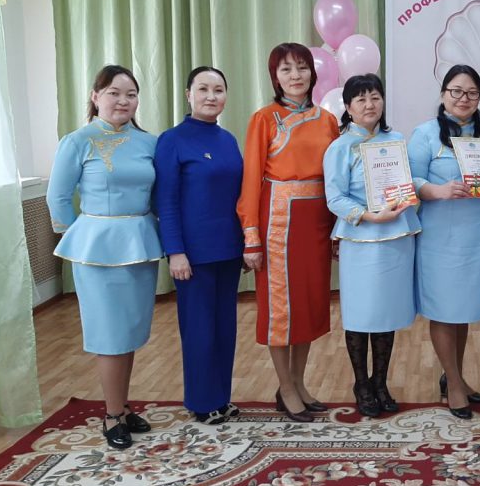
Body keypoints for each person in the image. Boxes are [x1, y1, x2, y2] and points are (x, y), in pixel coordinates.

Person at [47, 65, 163, 450]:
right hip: (97, 251)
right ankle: (112, 415)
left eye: (131, 94)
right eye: (114, 93)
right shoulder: (78, 141)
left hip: (140, 245)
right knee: (109, 334)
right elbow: (57, 198)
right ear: (96, 96)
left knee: (130, 331)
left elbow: (158, 196)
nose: (123, 101)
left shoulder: (149, 143)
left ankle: (123, 406)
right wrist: (80, 239)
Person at [237, 42, 339, 423]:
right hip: (279, 221)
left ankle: (297, 383)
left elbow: (336, 179)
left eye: (302, 67)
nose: (295, 76)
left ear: (313, 73)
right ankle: (285, 385)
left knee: (309, 304)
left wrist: (338, 229)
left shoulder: (327, 120)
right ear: (275, 77)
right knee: (280, 310)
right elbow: (251, 181)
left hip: (317, 222)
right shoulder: (264, 119)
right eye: (286, 69)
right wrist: (251, 235)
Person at [408, 65, 480, 419]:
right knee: (444, 311)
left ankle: (455, 378)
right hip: (440, 240)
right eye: (456, 91)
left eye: (472, 93)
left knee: (462, 311)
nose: (463, 98)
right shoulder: (424, 134)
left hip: (478, 236)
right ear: (443, 93)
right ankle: (455, 384)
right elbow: (410, 180)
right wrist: (438, 190)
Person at [323, 74, 420, 417]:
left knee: (386, 313)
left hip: (396, 238)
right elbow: (334, 197)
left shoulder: (396, 141)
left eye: (375, 97)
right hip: (361, 239)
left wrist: (407, 196)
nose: (369, 104)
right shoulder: (339, 147)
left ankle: (381, 382)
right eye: (361, 99)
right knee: (360, 314)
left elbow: (407, 183)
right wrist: (368, 216)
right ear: (348, 107)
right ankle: (361, 384)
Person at [154, 66, 243, 425]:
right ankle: (202, 401)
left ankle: (222, 397)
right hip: (192, 255)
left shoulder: (228, 140)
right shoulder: (172, 140)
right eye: (203, 89)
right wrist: (175, 251)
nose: (211, 96)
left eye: (218, 89)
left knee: (225, 328)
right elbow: (166, 201)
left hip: (229, 249)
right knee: (199, 331)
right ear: (188, 95)